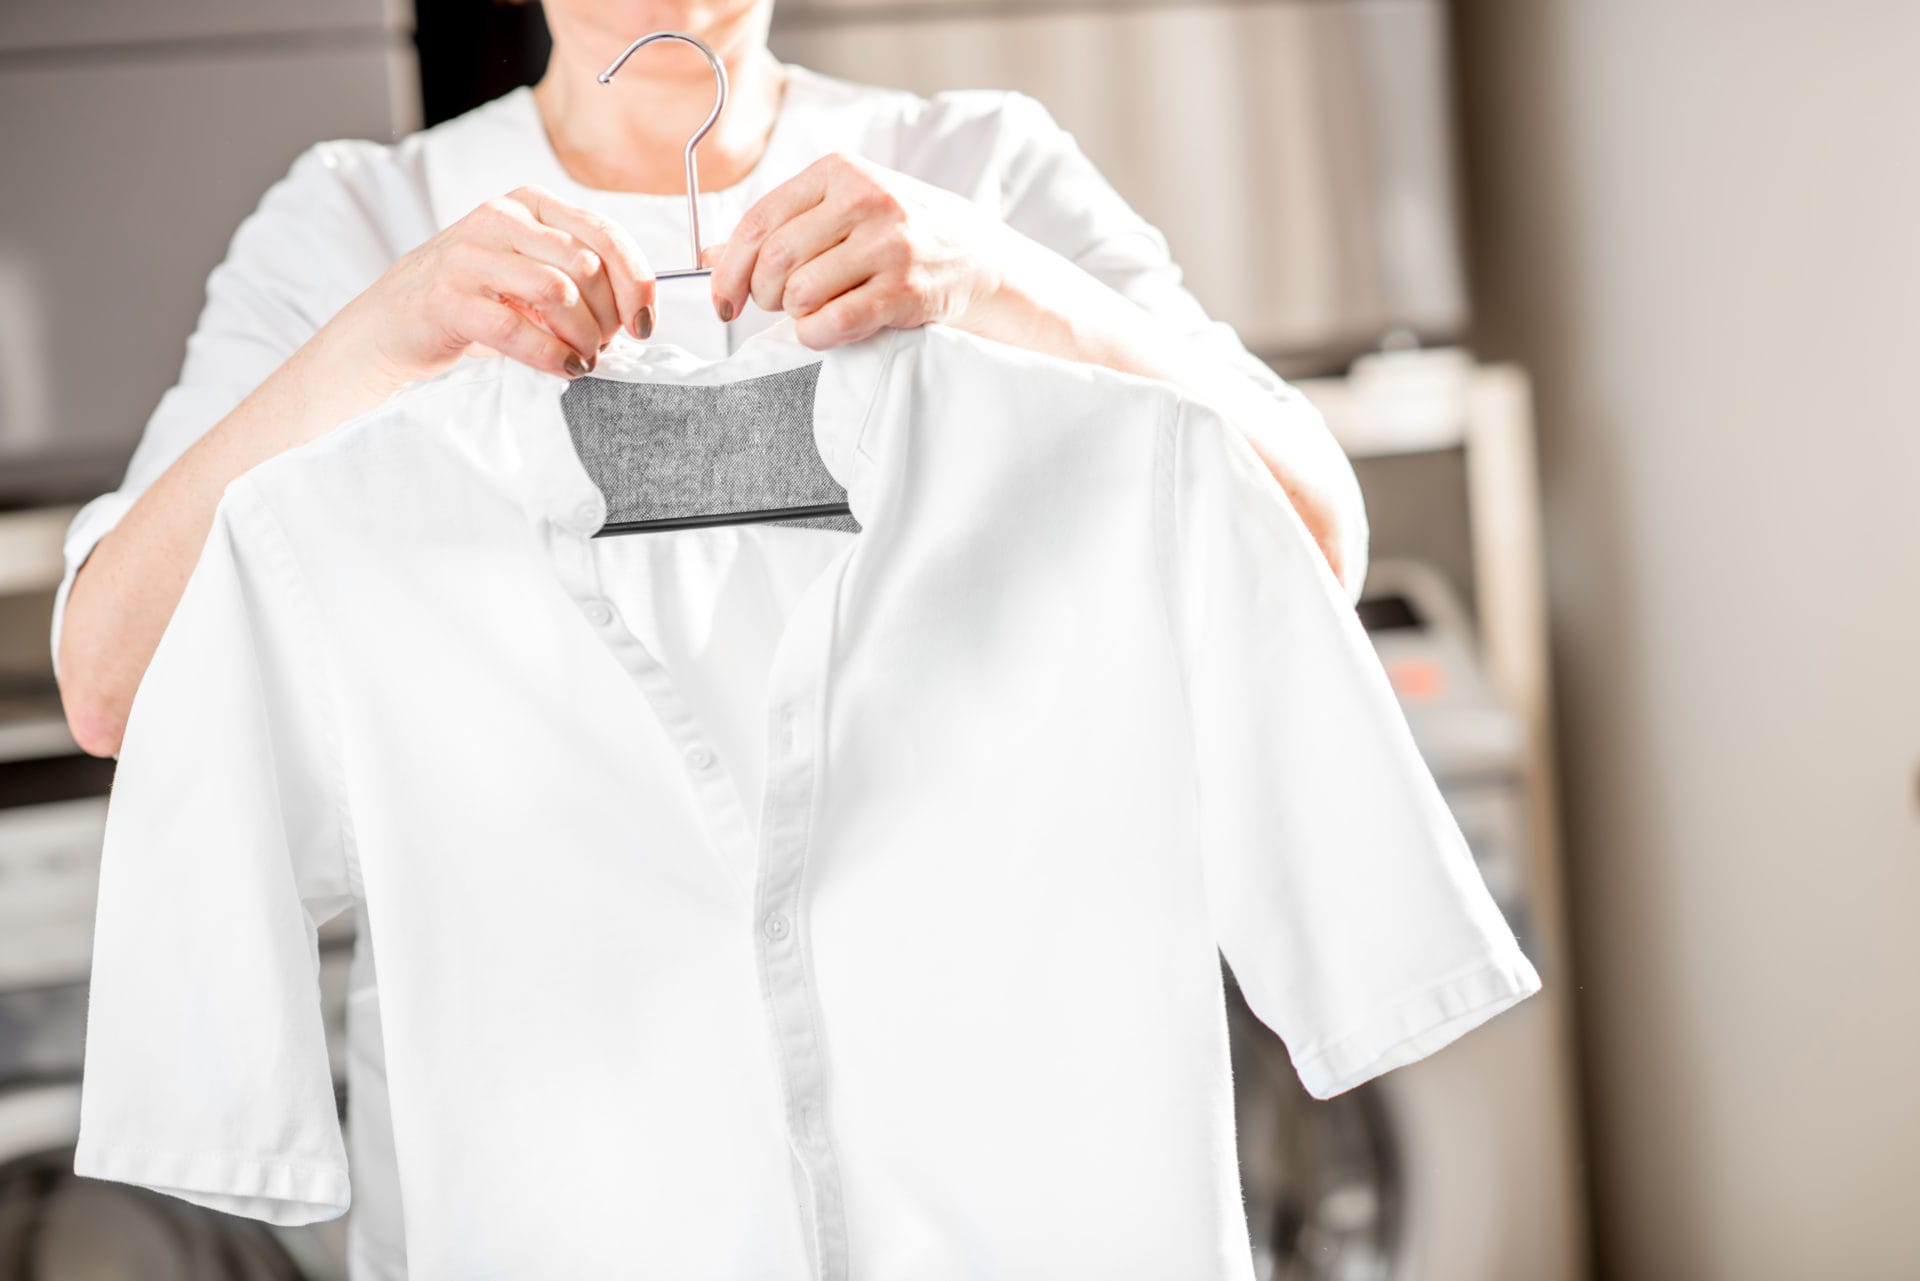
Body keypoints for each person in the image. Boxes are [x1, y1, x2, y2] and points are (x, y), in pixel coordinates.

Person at [52, 0, 1369, 1273]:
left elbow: (1311, 546)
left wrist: (994, 278)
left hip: (1002, 1148)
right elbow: (112, 684)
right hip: (553, 1179)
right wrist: (385, 337)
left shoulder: (978, 172)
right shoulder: (362, 224)